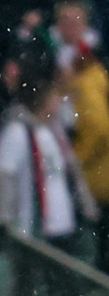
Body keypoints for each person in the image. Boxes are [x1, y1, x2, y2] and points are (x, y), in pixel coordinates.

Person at [0, 48, 97, 296]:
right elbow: (3, 176)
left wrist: (85, 207)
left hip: (61, 229)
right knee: (26, 288)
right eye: (53, 98)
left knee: (61, 292)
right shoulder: (17, 132)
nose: (58, 102)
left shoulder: (53, 131)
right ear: (40, 101)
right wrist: (4, 218)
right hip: (31, 230)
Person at [56, 3, 109, 267]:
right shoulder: (93, 77)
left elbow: (98, 126)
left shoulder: (88, 82)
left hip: (95, 173)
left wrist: (76, 160)